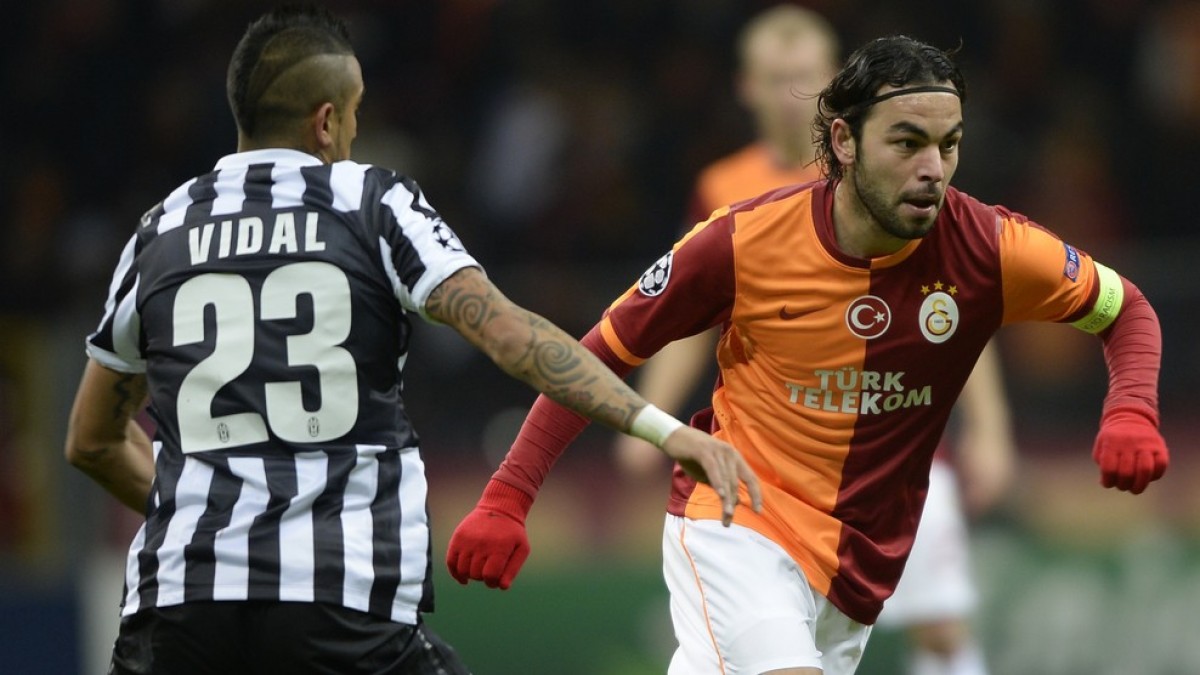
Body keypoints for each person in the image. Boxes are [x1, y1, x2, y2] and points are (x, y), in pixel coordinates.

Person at [63, 6, 760, 675]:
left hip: (178, 606)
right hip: (338, 606)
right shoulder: (367, 201)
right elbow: (510, 336)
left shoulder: (160, 230)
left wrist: (218, 520)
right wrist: (665, 430)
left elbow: (91, 440)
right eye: (355, 113)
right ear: (327, 121)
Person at [446, 33, 1169, 675]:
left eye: (948, 145)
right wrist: (509, 495)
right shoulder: (740, 240)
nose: (933, 169)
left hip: (858, 566)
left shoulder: (991, 246)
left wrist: (1131, 407)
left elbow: (1125, 308)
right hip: (738, 520)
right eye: (907, 143)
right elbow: (599, 352)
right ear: (845, 141)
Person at [612, 8, 1015, 674]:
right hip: (776, 470)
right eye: (775, 79)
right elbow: (688, 316)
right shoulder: (724, 188)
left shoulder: (895, 172)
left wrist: (991, 429)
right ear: (746, 87)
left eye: (804, 77)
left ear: (835, 82)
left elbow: (954, 308)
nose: (790, 94)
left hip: (896, 456)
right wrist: (648, 417)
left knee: (942, 626)